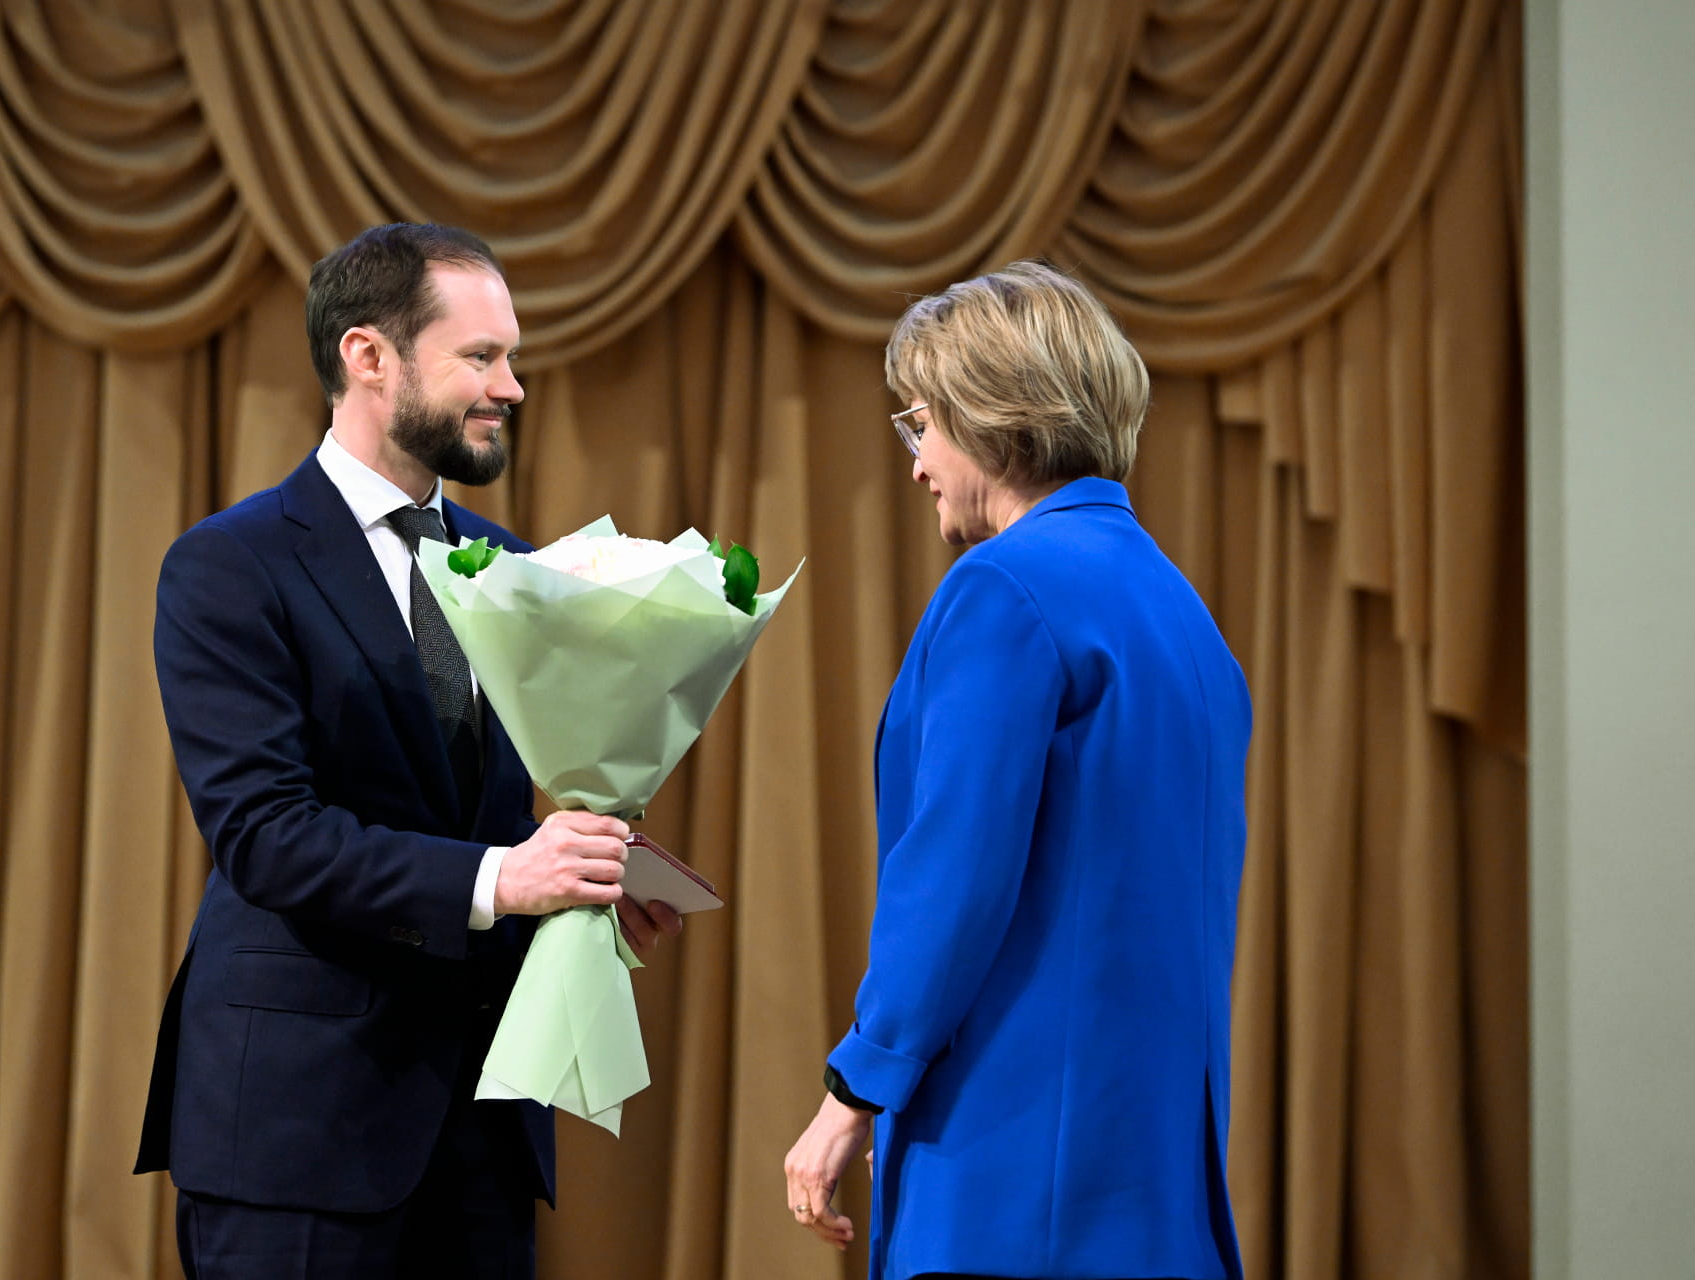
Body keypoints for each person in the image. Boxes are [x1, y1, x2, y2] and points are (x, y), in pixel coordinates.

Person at [135, 222, 682, 1279]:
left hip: (481, 1135)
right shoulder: (229, 565)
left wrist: (579, 893)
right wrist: (503, 877)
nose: (511, 387)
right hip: (299, 1133)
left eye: (510, 357)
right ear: (368, 357)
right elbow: (266, 837)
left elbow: (482, 823)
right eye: (480, 356)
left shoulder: (515, 566)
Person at [782, 261, 1252, 1280]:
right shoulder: (1182, 612)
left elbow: (953, 875)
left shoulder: (1004, 586)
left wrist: (854, 1089)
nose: (916, 464)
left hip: (1015, 1176)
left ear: (992, 413)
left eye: (921, 425)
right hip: (1151, 1178)